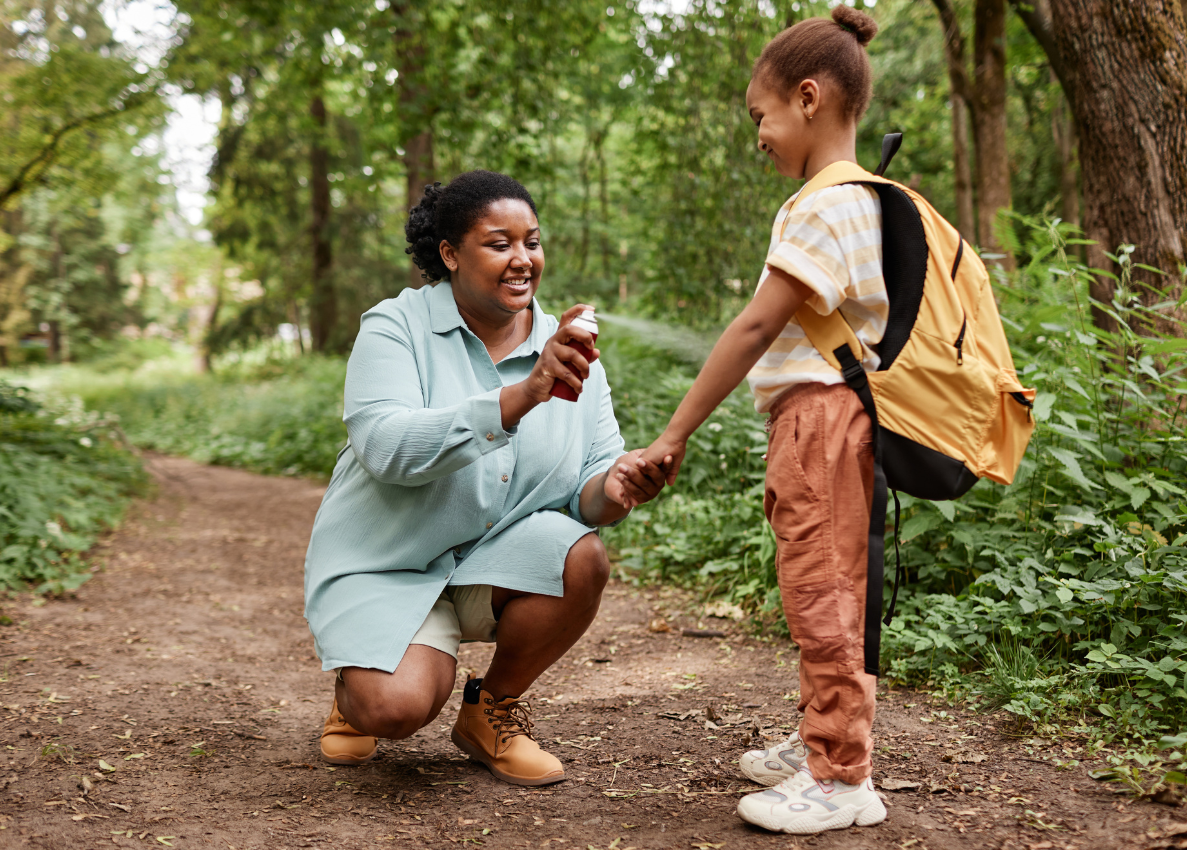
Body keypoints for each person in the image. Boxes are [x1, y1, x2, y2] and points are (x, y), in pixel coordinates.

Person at [303, 170, 667, 788]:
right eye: (500, 244)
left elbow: (588, 490)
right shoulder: (395, 327)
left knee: (582, 557)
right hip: (386, 562)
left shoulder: (570, 350)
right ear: (450, 255)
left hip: (491, 561)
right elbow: (386, 447)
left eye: (533, 241)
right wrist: (522, 395)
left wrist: (620, 485)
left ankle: (490, 710)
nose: (523, 259)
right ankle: (356, 688)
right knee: (396, 709)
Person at [640, 7, 891, 835]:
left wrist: (674, 433)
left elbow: (753, 328)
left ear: (809, 98)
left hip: (820, 420)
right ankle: (824, 734)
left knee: (819, 590)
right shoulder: (865, 199)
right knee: (830, 587)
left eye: (762, 115)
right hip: (840, 417)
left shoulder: (821, 205)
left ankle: (839, 776)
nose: (758, 135)